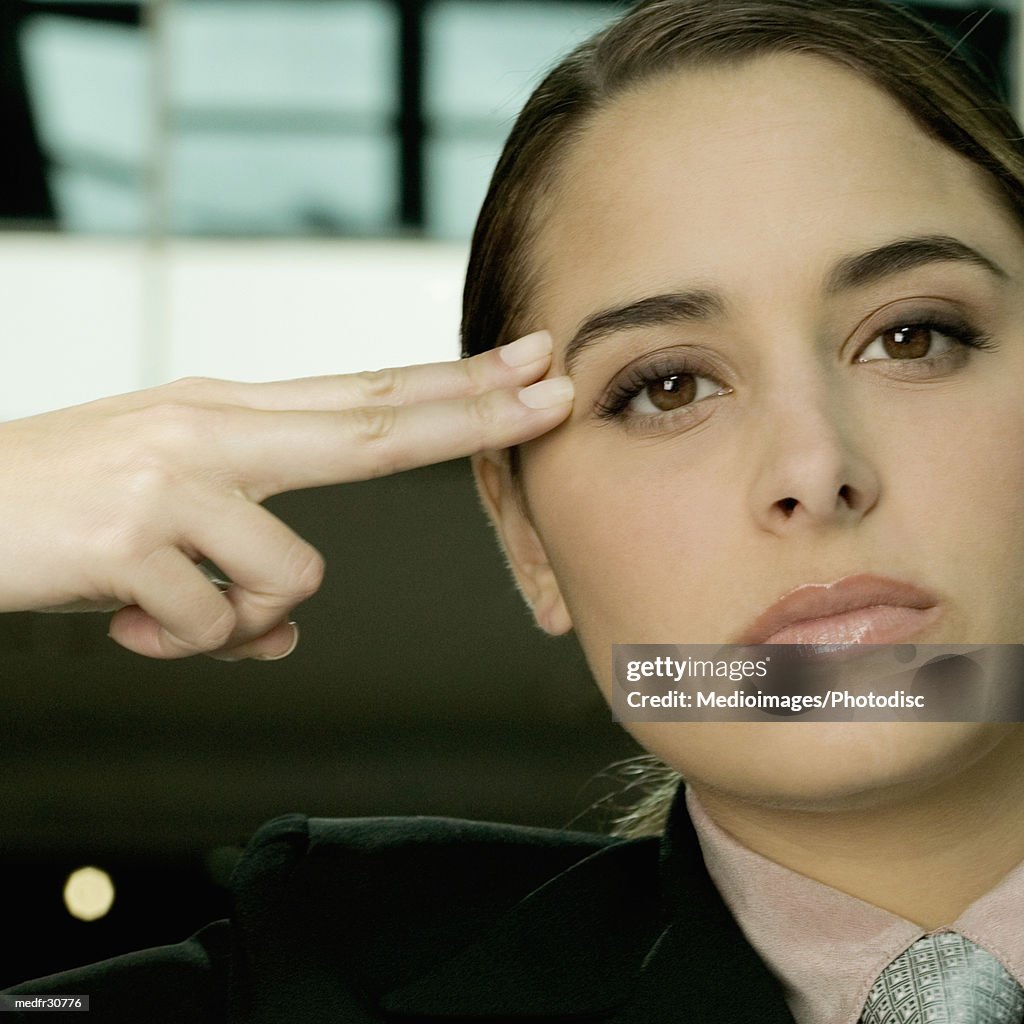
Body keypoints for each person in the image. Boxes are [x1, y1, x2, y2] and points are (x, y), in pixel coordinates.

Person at [4, 0, 1024, 1020]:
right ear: (525, 538)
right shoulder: (312, 981)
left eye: (913, 337)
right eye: (666, 387)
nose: (814, 466)